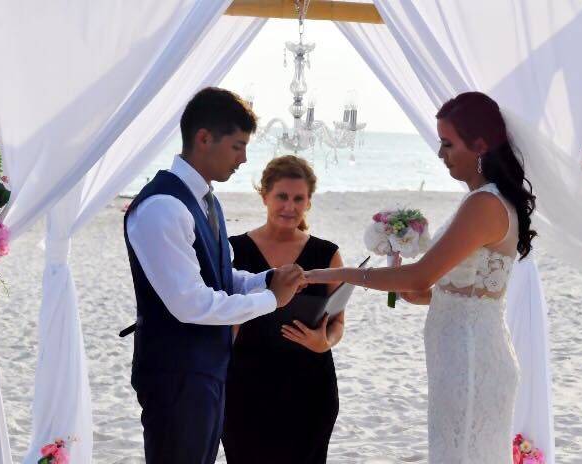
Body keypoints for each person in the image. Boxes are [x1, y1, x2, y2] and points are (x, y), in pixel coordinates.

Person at [305, 92, 537, 463]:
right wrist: (433, 295)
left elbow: (417, 277)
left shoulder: (485, 204)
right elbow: (471, 288)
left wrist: (333, 274)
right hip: (461, 353)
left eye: (448, 143)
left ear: (480, 145)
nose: (441, 154)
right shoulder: (482, 199)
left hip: (470, 358)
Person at [123, 88, 305, 464]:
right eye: (238, 146)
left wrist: (268, 278)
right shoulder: (162, 207)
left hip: (205, 370)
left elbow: (219, 278)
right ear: (204, 138)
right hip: (175, 376)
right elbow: (191, 303)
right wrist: (272, 300)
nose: (244, 158)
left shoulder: (207, 199)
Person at [222, 155, 344, 464]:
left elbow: (338, 320)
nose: (289, 206)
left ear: (308, 202)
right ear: (264, 196)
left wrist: (324, 341)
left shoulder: (327, 253)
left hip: (310, 386)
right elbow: (220, 312)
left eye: (298, 198)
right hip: (245, 384)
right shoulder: (233, 249)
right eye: (281, 196)